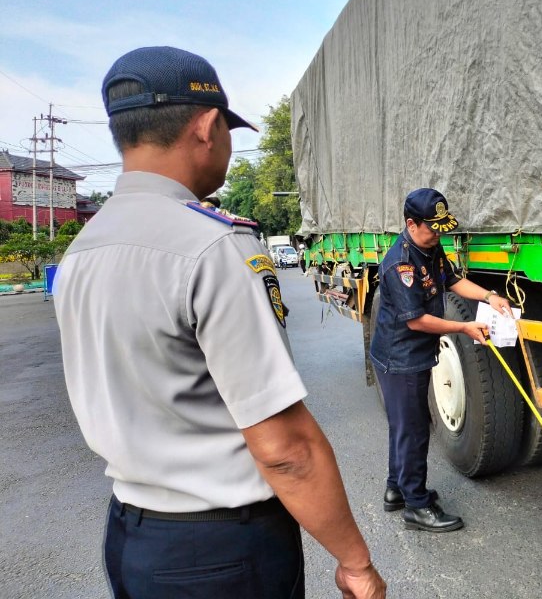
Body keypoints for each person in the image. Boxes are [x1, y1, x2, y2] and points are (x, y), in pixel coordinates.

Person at [53, 46, 386, 599]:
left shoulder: (83, 250)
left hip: (132, 540)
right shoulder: (212, 246)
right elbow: (285, 448)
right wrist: (355, 561)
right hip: (223, 555)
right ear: (207, 127)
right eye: (229, 128)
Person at [369, 187, 514, 532]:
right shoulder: (400, 263)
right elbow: (416, 320)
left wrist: (490, 297)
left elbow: (451, 280)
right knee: (415, 429)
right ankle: (416, 506)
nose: (438, 234)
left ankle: (397, 490)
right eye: (432, 228)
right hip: (399, 357)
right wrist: (464, 327)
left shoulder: (430, 247)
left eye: (440, 228)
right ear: (411, 223)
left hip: (412, 354)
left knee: (404, 426)